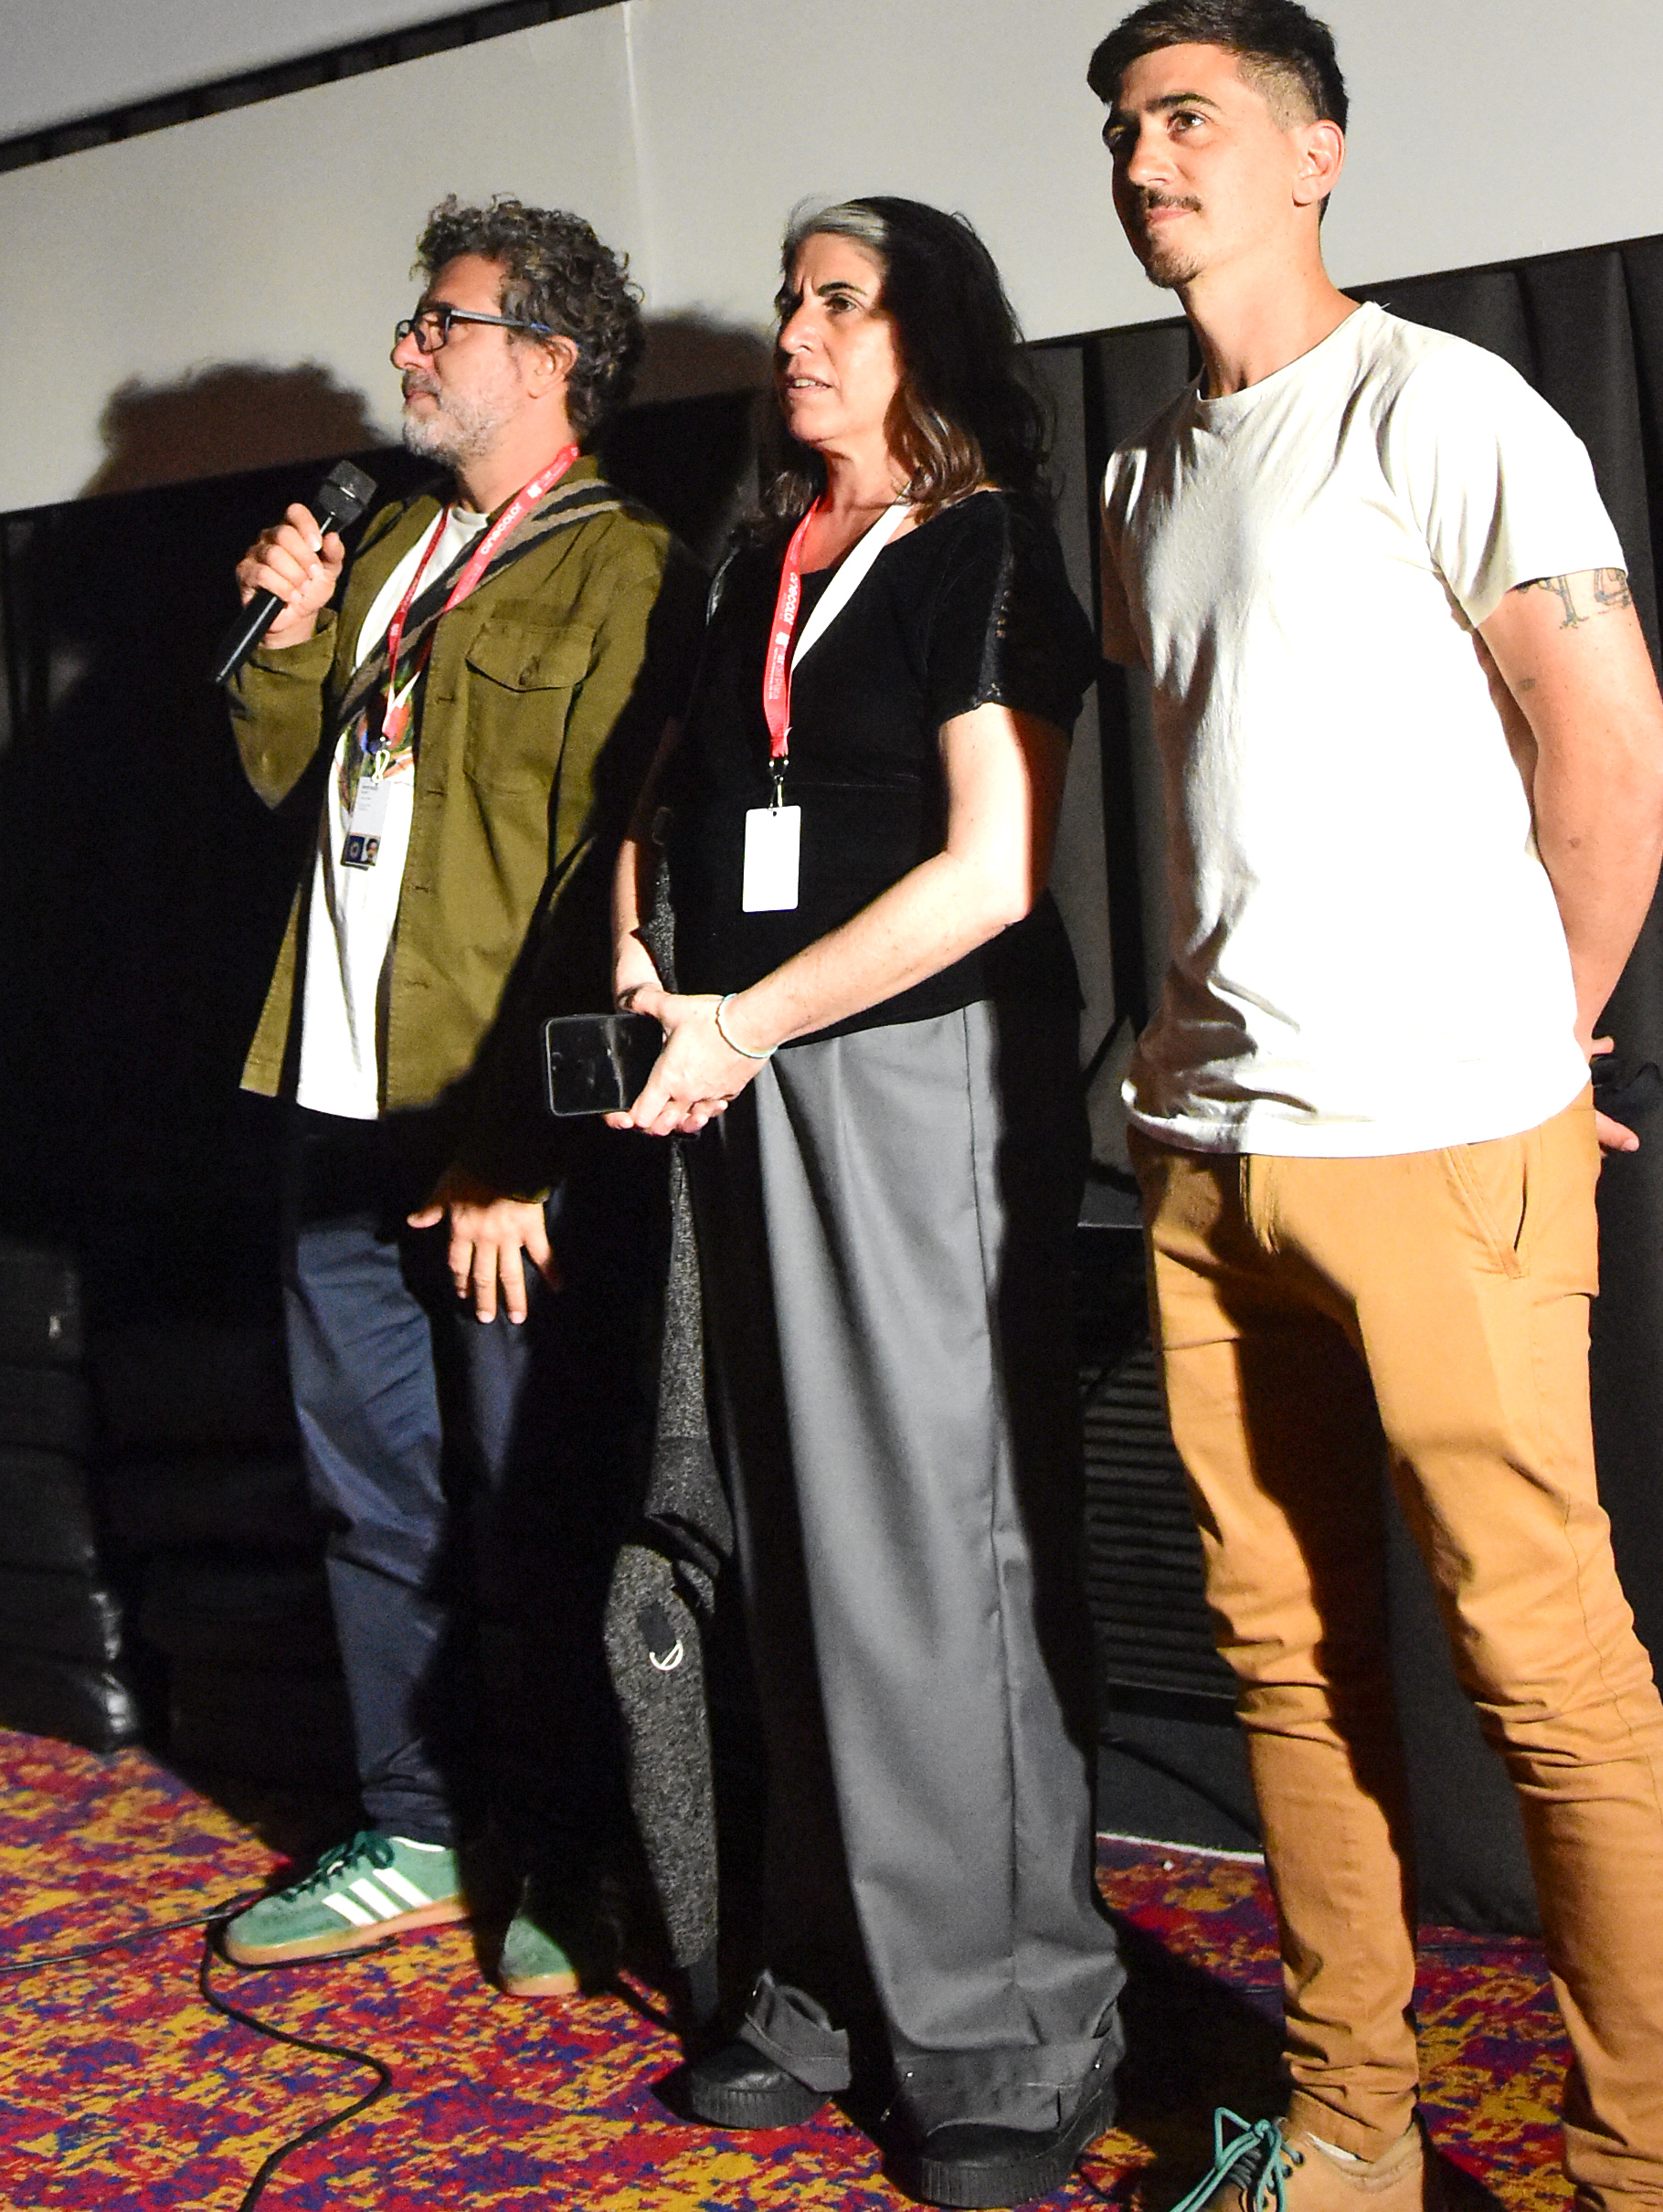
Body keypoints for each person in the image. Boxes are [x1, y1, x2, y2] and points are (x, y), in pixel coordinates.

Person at [1088, 0, 1663, 2212]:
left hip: (1444, 1147)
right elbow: (1200, 814)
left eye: (1190, 116)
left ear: (1314, 150)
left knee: (1544, 1668)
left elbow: (1615, 751)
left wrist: (1538, 1049)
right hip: (1215, 1158)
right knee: (1283, 1657)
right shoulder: (1140, 467)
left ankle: (1650, 2177)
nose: (1146, 156)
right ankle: (1352, 2119)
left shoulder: (1447, 407)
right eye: (1123, 125)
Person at [616, 196, 1126, 2212]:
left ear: (939, 335)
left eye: (846, 301)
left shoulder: (983, 546)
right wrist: (656, 973)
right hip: (742, 1061)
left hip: (907, 1065)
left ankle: (1018, 2022)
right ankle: (837, 1972)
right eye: (792, 301)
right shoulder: (756, 559)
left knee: (937, 1541)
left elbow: (995, 871)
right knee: (800, 1533)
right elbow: (674, 801)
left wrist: (749, 1016)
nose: (800, 332)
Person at [219, 196, 700, 1992]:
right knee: (371, 1494)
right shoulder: (402, 542)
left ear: (546, 354)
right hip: (334, 1097)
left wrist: (528, 1151)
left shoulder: (622, 563)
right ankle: (413, 1824)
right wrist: (289, 625)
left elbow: (609, 876)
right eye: (417, 317)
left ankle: (572, 1848)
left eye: (444, 319)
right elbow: (288, 768)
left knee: (535, 1502)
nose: (409, 345)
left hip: (496, 1125)